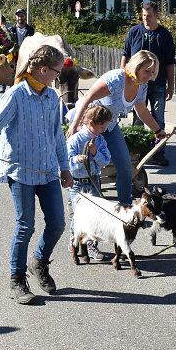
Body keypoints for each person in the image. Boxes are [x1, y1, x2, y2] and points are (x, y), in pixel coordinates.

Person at [0, 45, 73, 305]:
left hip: (49, 169)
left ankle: (39, 261)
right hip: (21, 171)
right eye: (56, 72)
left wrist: (65, 167)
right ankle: (16, 279)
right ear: (43, 70)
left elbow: (57, 136)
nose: (58, 77)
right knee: (25, 226)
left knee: (57, 224)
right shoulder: (16, 95)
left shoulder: (52, 98)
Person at [67, 50, 168, 206]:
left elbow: (141, 110)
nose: (150, 75)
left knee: (125, 164)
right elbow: (88, 97)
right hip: (87, 123)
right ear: (136, 66)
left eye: (152, 72)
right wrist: (74, 126)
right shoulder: (116, 80)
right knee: (84, 165)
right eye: (147, 71)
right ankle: (76, 202)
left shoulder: (141, 86)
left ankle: (125, 206)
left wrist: (157, 130)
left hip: (109, 125)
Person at [121, 1, 176, 166]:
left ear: (157, 16)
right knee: (137, 119)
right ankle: (136, 153)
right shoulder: (134, 32)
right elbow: (126, 55)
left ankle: (158, 153)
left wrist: (170, 86)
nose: (146, 19)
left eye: (149, 16)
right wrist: (123, 78)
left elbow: (170, 63)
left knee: (158, 118)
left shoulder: (165, 35)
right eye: (144, 16)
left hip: (158, 84)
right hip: (136, 84)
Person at [66, 103, 113, 261]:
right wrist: (78, 160)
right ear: (92, 123)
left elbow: (105, 160)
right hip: (78, 184)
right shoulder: (74, 140)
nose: (103, 130)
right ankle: (74, 241)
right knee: (79, 216)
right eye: (101, 127)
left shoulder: (100, 141)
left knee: (95, 216)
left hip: (93, 183)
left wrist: (95, 153)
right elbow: (66, 162)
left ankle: (91, 245)